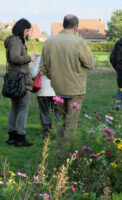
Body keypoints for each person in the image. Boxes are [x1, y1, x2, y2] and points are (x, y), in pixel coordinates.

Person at [40, 14, 95, 159]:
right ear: (76, 26)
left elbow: (43, 67)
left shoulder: (50, 41)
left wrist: (55, 77)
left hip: (58, 88)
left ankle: (59, 151)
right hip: (75, 89)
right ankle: (66, 157)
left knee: (62, 122)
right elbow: (90, 64)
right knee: (71, 123)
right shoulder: (79, 42)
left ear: (63, 25)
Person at [4, 18, 37, 147]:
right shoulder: (17, 41)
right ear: (23, 29)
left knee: (15, 108)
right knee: (23, 108)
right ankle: (20, 138)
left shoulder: (13, 40)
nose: (28, 33)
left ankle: (12, 136)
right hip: (20, 80)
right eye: (28, 30)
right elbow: (14, 58)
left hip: (15, 79)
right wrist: (31, 58)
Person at [30, 56, 60, 138]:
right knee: (57, 112)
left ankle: (45, 133)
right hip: (57, 89)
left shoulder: (40, 58)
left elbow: (33, 73)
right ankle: (60, 132)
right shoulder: (59, 56)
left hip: (43, 90)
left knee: (44, 112)